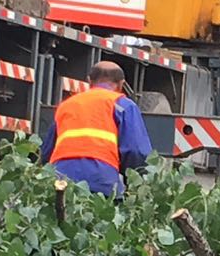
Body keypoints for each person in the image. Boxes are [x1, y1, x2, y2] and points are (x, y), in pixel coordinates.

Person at [39, 60, 153, 197]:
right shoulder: (123, 105)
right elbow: (135, 151)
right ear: (121, 84)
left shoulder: (67, 105)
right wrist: (135, 185)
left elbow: (47, 152)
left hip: (61, 179)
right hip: (101, 180)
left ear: (89, 81)